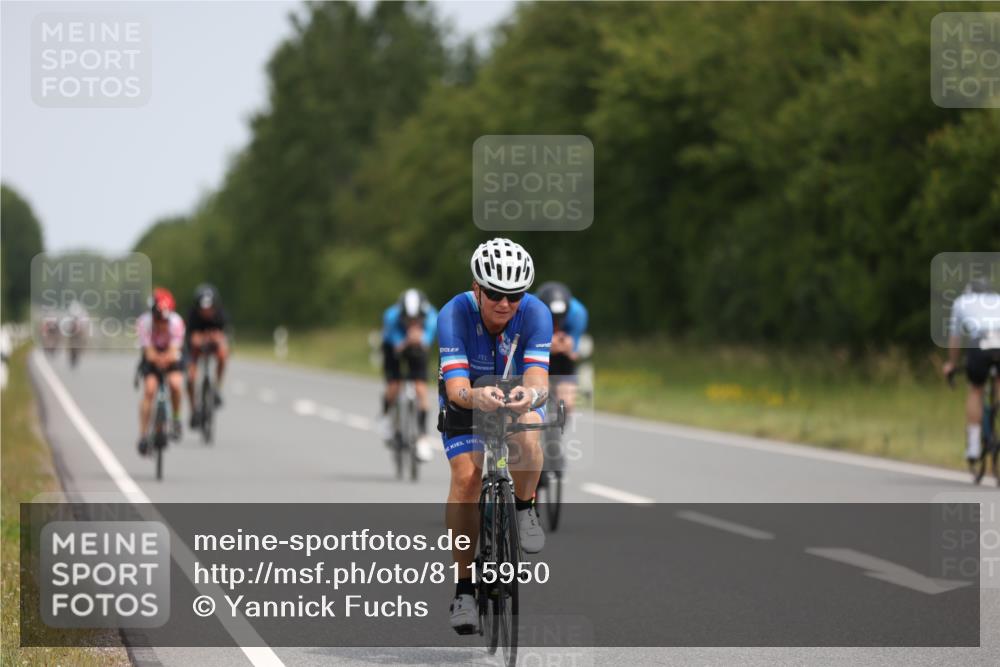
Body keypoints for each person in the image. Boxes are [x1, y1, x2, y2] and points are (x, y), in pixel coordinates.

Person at [437, 238, 552, 634]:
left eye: (514, 295)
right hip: (468, 396)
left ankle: (524, 506)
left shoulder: (536, 313)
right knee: (467, 478)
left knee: (529, 435)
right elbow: (456, 388)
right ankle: (464, 589)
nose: (505, 304)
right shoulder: (453, 314)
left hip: (514, 392)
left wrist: (529, 396)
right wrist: (476, 397)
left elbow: (538, 378)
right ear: (477, 288)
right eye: (495, 294)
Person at [942, 278, 1000, 472]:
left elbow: (955, 337)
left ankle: (974, 446)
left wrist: (952, 364)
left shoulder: (961, 302)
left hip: (981, 342)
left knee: (976, 389)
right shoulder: (998, 299)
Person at [378, 288, 438, 462]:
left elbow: (427, 342)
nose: (412, 322)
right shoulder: (391, 317)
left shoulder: (432, 316)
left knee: (420, 388)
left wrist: (420, 339)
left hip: (417, 346)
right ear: (401, 315)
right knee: (394, 384)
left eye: (416, 319)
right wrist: (405, 341)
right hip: (393, 345)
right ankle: (386, 416)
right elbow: (395, 345)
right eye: (408, 319)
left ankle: (423, 438)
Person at [136, 287, 186, 455]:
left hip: (171, 356)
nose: (162, 323)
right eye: (158, 319)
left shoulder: (176, 323)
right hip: (152, 356)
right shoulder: (144, 323)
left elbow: (174, 350)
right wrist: (158, 359)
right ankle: (143, 435)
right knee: (150, 390)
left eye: (165, 320)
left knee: (175, 384)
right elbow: (148, 352)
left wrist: (167, 358)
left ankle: (176, 418)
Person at [534, 281, 589, 413]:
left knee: (567, 403)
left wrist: (568, 348)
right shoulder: (529, 309)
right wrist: (546, 346)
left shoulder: (578, 314)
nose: (556, 323)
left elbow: (573, 354)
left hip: (562, 357)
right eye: (552, 319)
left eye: (559, 320)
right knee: (535, 397)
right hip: (535, 353)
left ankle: (560, 413)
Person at [185, 283, 230, 427]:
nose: (206, 312)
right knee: (191, 378)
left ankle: (217, 388)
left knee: (223, 354)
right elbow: (191, 339)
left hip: (212, 346)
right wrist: (200, 339)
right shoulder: (192, 315)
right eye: (203, 309)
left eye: (209, 309)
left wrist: (214, 339)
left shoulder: (220, 315)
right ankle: (194, 409)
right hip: (195, 349)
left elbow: (223, 337)